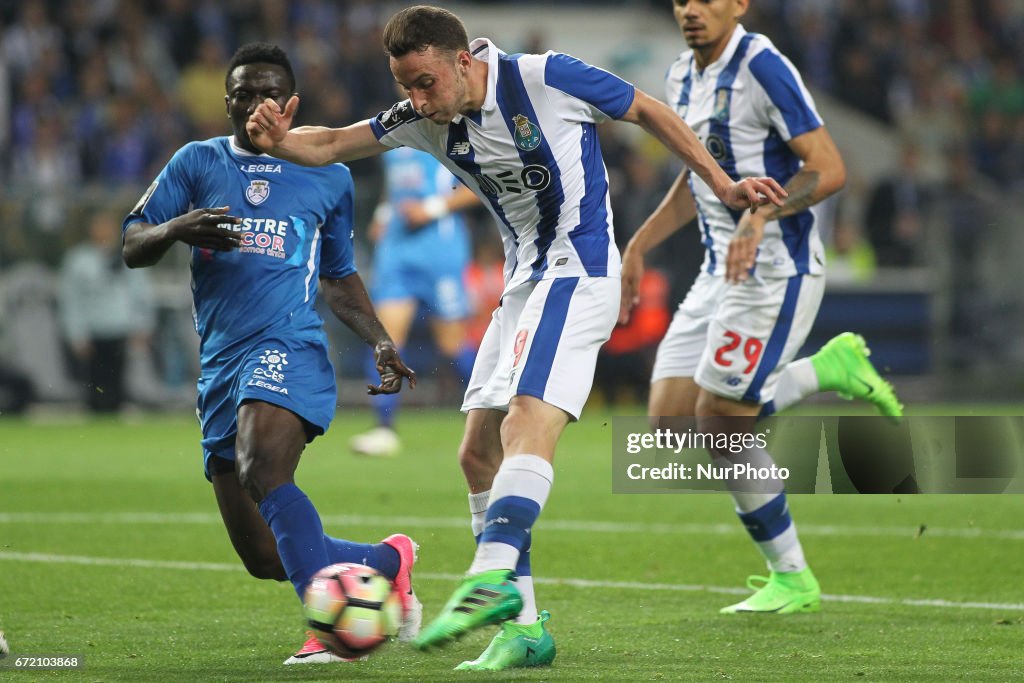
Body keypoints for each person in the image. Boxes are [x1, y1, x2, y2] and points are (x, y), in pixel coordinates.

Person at [246, 5, 785, 671]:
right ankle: (526, 626)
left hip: (580, 270)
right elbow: (330, 144)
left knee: (527, 421)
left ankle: (491, 572)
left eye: (424, 82)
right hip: (524, 284)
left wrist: (724, 183)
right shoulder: (422, 118)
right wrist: (278, 138)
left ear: (462, 61)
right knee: (476, 453)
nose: (415, 99)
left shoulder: (546, 77)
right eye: (405, 86)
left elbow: (646, 110)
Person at [121, 42, 421, 666]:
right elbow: (132, 242)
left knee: (263, 468)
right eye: (242, 95)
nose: (256, 106)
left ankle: (330, 630)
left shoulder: (329, 173)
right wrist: (175, 229)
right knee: (262, 556)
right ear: (226, 102)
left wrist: (381, 340)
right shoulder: (196, 162)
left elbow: (339, 277)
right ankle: (390, 559)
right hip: (220, 366)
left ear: (290, 104)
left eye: (268, 95)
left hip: (289, 345)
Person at [619, 0, 903, 616]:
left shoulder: (764, 66)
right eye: (681, 0)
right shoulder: (679, 76)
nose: (692, 10)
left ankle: (793, 578)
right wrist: (638, 245)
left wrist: (762, 215)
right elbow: (701, 176)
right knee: (670, 423)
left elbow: (828, 168)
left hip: (777, 270)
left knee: (721, 418)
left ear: (740, 3)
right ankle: (826, 370)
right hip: (719, 269)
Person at [350, 147, 479, 457]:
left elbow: (479, 185)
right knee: (385, 342)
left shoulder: (451, 128)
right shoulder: (394, 132)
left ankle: (494, 412)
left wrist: (431, 208)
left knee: (452, 348)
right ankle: (384, 428)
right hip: (397, 251)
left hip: (440, 253)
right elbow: (394, 186)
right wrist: (383, 214)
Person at [59, 210, 155, 414]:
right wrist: (75, 333)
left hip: (121, 328)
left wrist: (143, 325)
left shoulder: (129, 253)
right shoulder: (78, 260)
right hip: (93, 330)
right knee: (93, 386)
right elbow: (71, 300)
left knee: (119, 384)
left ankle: (116, 421)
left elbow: (141, 295)